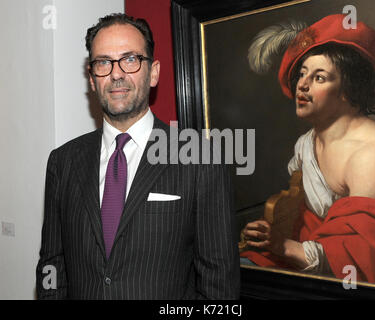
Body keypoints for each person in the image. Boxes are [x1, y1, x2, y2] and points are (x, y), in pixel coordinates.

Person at [36, 13, 240, 299]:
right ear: (92, 78)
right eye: (103, 62)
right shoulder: (63, 162)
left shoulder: (200, 159)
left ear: (153, 72)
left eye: (130, 59)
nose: (116, 74)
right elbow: (52, 265)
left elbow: (219, 285)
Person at [241, 14, 375, 286]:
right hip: (313, 254)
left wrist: (283, 246)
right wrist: (267, 233)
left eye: (319, 77)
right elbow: (302, 217)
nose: (302, 85)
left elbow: (361, 257)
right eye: (302, 73)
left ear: (349, 89)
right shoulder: (306, 144)